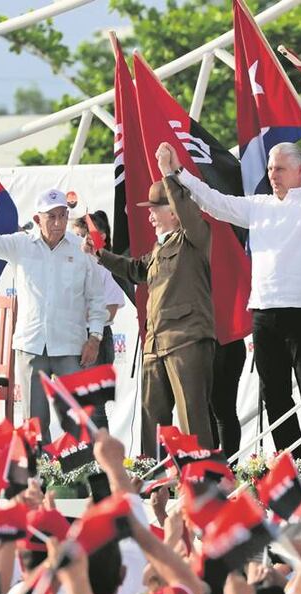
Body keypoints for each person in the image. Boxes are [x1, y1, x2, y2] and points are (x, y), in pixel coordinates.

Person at [169, 138, 301, 456]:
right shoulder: (258, 205)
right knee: (274, 393)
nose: (273, 174)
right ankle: (291, 460)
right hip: (265, 311)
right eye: (271, 168)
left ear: (300, 171)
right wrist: (179, 172)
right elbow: (213, 202)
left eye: (281, 168)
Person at [0, 186, 108, 445]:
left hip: (71, 346)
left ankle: (80, 474)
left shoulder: (81, 249)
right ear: (38, 219)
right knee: (34, 422)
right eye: (52, 217)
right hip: (30, 345)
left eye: (62, 216)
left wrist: (95, 337)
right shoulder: (20, 243)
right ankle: (39, 479)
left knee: (78, 417)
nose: (58, 223)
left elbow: (96, 298)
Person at [97, 143, 216, 457]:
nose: (149, 214)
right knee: (152, 422)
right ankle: (154, 478)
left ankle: (199, 480)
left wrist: (169, 174)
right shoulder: (159, 247)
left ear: (174, 212)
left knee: (193, 420)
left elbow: (190, 213)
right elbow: (136, 269)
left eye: (155, 208)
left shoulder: (195, 237)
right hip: (156, 343)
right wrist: (99, 254)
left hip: (187, 339)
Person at [70, 213, 124, 367]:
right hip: (69, 338)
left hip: (96, 339)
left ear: (101, 237)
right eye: (75, 236)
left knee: (95, 389)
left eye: (83, 236)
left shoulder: (108, 268)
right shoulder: (66, 265)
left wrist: (84, 315)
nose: (79, 242)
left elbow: (111, 311)